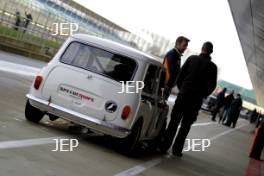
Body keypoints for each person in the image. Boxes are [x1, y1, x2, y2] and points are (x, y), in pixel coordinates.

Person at [159, 41, 217, 156]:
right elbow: (212, 86)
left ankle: (164, 146)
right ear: (211, 52)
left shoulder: (191, 59)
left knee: (174, 122)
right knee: (185, 125)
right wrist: (203, 94)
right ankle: (177, 150)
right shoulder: (212, 67)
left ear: (202, 48)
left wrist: (182, 89)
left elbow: (180, 75)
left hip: (183, 96)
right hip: (196, 100)